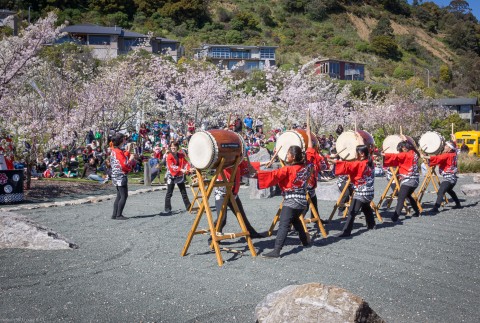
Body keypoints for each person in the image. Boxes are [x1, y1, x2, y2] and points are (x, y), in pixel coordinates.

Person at [251, 145, 312, 258]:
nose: (286, 155)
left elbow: (273, 175)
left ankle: (277, 250)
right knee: (295, 221)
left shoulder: (288, 169)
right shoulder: (306, 167)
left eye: (288, 154)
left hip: (291, 201)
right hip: (303, 201)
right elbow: (311, 156)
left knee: (283, 224)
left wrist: (254, 175)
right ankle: (305, 241)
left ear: (293, 157)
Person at [330, 145, 376, 237]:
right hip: (370, 192)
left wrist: (329, 160)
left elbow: (346, 165)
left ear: (362, 154)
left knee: (352, 211)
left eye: (356, 152)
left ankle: (346, 231)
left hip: (361, 192)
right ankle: (371, 224)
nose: (355, 154)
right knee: (366, 207)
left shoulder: (360, 164)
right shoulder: (370, 162)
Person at [212, 159, 263, 242]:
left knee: (241, 216)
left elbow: (248, 165)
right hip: (221, 194)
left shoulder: (238, 162)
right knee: (222, 219)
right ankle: (213, 238)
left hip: (233, 194)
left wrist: (264, 163)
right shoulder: (225, 162)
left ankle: (251, 233)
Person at [382, 138, 421, 221]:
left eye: (401, 149)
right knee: (408, 196)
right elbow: (413, 147)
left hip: (408, 181)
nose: (400, 151)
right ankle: (417, 211)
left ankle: (395, 217)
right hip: (415, 180)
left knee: (401, 197)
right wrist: (406, 139)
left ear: (404, 148)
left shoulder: (405, 155)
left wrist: (384, 155)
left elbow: (395, 156)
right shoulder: (415, 153)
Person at [422, 136, 461, 213]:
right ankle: (458, 204)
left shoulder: (447, 155)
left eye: (446, 146)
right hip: (453, 178)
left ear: (450, 149)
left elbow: (437, 158)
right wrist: (454, 140)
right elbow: (455, 147)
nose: (445, 147)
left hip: (449, 178)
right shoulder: (454, 153)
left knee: (441, 191)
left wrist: (424, 156)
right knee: (449, 190)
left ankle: (436, 208)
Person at [110, 133, 136, 220]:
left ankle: (114, 214)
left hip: (115, 175)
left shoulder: (114, 150)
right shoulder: (118, 152)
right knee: (124, 195)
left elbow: (122, 157)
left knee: (119, 195)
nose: (125, 140)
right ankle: (119, 215)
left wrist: (128, 152)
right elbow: (124, 164)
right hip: (120, 175)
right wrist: (131, 159)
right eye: (123, 139)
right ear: (121, 140)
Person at [164, 141, 191, 214]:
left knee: (183, 192)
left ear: (177, 147)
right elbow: (172, 166)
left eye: (174, 146)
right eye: (172, 146)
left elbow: (186, 163)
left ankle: (188, 206)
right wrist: (181, 169)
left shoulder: (181, 155)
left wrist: (189, 169)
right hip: (171, 175)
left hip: (179, 175)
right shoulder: (169, 156)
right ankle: (167, 208)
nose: (173, 147)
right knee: (169, 193)